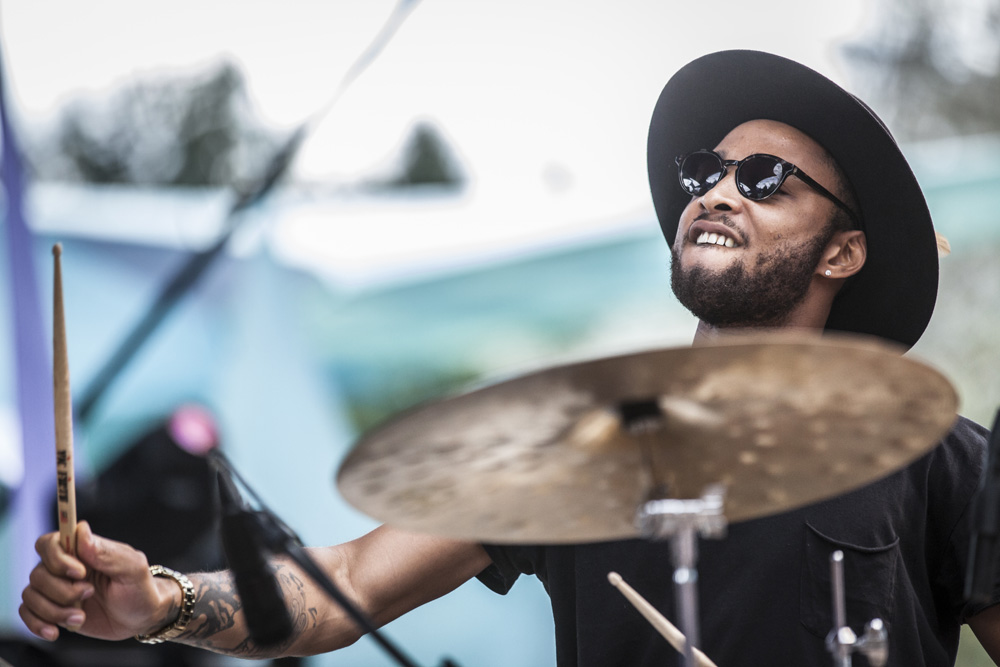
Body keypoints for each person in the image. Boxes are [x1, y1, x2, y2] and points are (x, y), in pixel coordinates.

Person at [18, 50, 999, 666]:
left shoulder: (943, 459)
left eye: (764, 177)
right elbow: (339, 586)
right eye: (706, 171)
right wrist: (162, 601)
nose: (716, 190)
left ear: (840, 250)